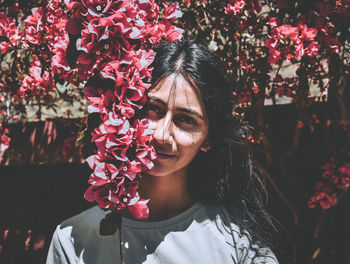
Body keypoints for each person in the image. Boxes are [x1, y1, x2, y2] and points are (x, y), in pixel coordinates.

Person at [46, 41, 279, 263]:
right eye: (153, 109)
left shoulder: (238, 243)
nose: (161, 134)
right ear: (127, 110)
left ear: (209, 138)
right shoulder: (74, 240)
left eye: (186, 120)